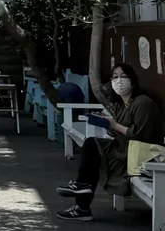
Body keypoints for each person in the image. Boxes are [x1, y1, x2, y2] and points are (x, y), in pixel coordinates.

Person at [57, 62, 164, 220]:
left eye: (124, 76)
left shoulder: (143, 103)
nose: (119, 81)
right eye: (115, 77)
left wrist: (114, 125)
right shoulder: (121, 104)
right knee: (91, 144)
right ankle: (82, 194)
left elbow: (140, 135)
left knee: (93, 152)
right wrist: (106, 123)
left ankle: (82, 204)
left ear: (133, 81)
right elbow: (117, 132)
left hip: (141, 157)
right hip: (124, 150)